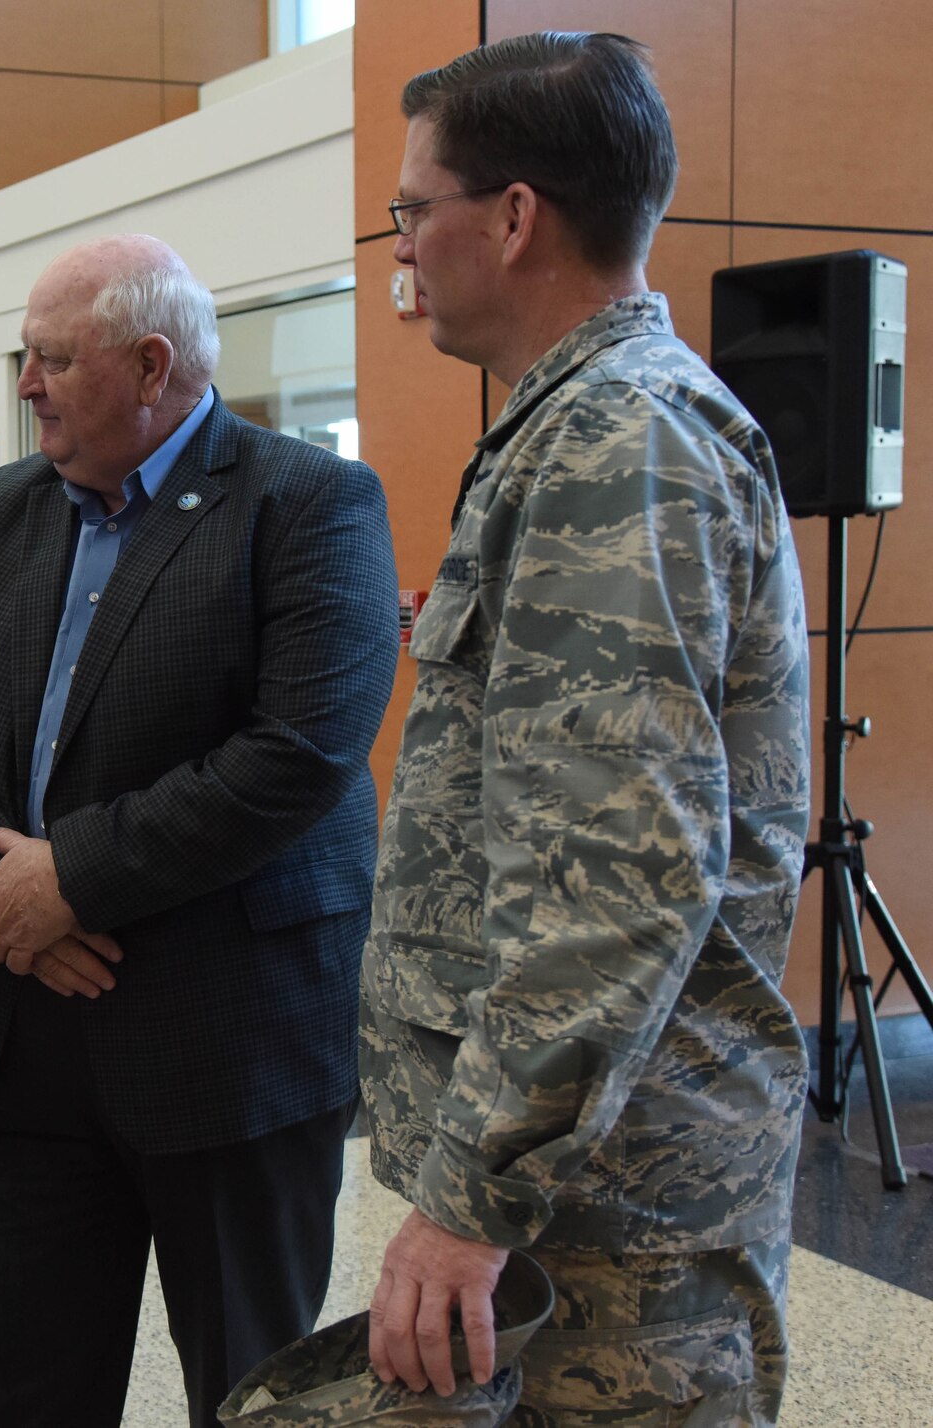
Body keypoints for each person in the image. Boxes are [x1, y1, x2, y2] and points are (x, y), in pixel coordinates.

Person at [360, 32, 810, 1425]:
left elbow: (614, 879)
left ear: (511, 215)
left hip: (617, 1224)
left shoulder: (624, 441)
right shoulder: (583, 427)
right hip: (582, 1194)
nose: (404, 256)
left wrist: (470, 1196)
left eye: (412, 213)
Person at [0, 234, 399, 1428]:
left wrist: (74, 881)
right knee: (20, 1382)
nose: (24, 387)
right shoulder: (3, 507)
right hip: (21, 1025)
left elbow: (301, 752)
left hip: (229, 1041)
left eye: (50, 360)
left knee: (250, 1387)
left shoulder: (307, 500)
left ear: (150, 363)